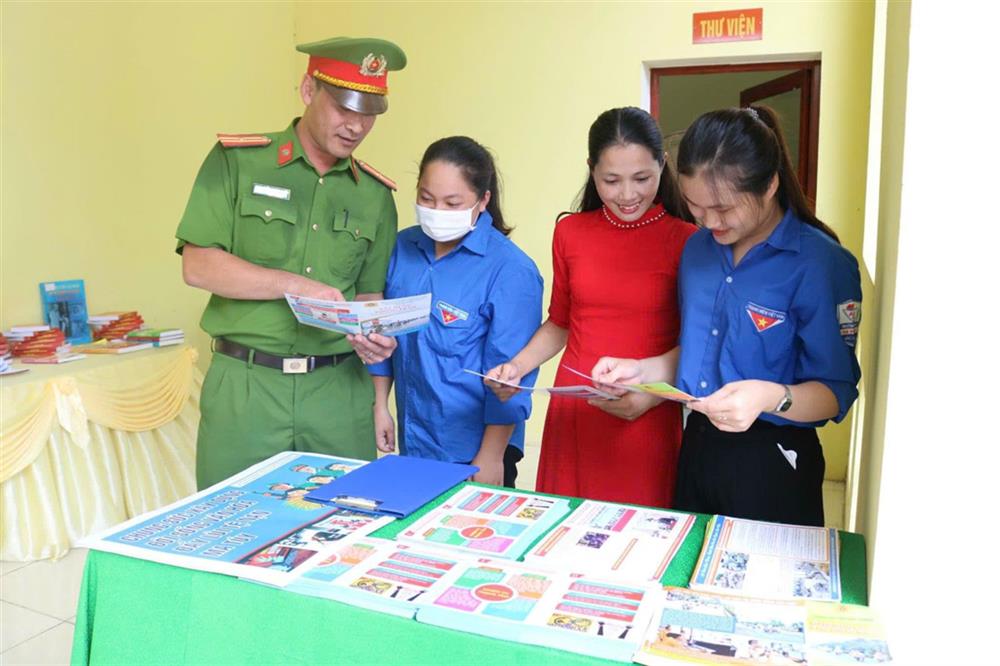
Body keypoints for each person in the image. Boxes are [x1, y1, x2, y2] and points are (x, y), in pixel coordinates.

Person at [593, 106, 862, 527]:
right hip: (698, 446)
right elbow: (701, 351)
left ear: (770, 184)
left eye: (723, 208)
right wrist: (640, 369)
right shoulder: (699, 251)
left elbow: (836, 390)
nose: (709, 221)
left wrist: (769, 396)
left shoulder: (819, 263)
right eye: (696, 208)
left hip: (773, 459)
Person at [175, 37, 406, 489]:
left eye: (369, 113)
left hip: (338, 391)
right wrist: (294, 285)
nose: (356, 125)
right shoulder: (237, 163)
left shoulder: (375, 196)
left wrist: (372, 337)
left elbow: (369, 294)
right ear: (307, 90)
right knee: (232, 526)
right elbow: (198, 265)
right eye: (344, 106)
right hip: (247, 387)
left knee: (344, 528)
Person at [483, 107, 695, 506]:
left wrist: (652, 397)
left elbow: (697, 343)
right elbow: (561, 322)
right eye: (611, 180)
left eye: (642, 179)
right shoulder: (571, 232)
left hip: (646, 413)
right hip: (575, 411)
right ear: (591, 170)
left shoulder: (687, 241)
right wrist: (518, 367)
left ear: (663, 165)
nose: (627, 195)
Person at [353, 137, 543, 487]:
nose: (437, 210)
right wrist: (380, 405)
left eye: (452, 203)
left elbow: (511, 378)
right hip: (415, 442)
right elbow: (379, 331)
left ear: (483, 200)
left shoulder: (510, 270)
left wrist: (489, 457)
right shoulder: (401, 248)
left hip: (476, 450)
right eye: (427, 199)